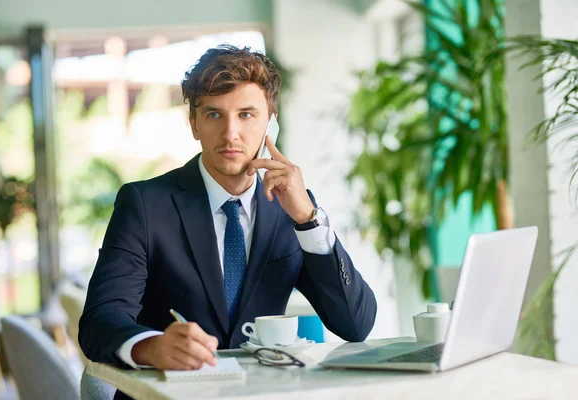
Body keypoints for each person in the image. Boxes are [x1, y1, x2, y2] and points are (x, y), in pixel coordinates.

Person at [79, 45, 377, 398]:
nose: (231, 133)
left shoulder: (292, 209)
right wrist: (151, 347)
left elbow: (355, 324)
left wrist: (309, 221)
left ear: (271, 123)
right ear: (194, 123)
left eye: (247, 115)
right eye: (214, 115)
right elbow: (100, 319)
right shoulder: (144, 204)